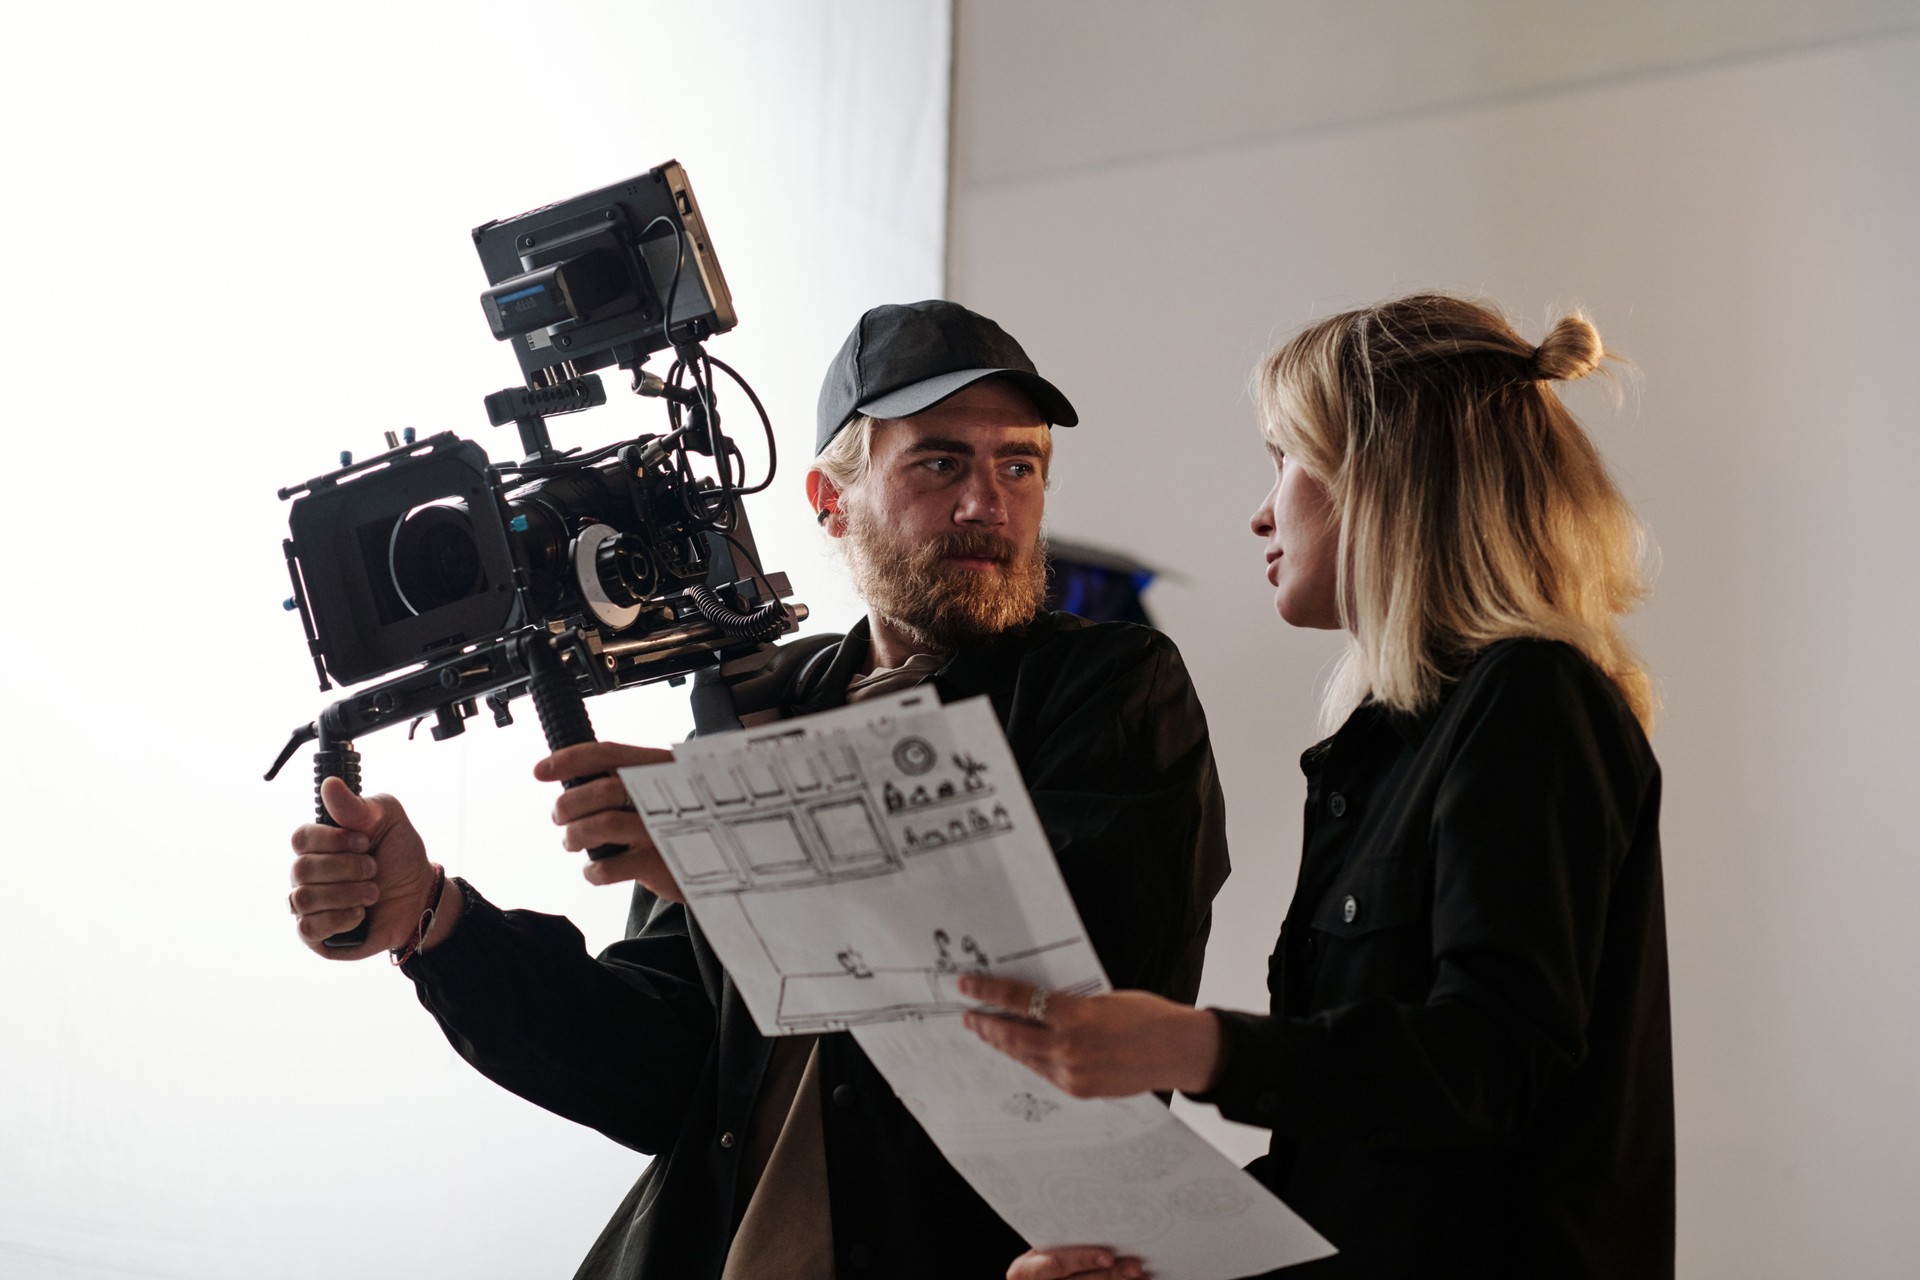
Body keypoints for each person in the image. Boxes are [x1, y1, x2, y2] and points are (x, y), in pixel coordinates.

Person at [285, 299, 1231, 1280]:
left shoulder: (1111, 686)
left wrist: (733, 855)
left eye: (1019, 464)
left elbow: (1073, 1000)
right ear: (829, 499)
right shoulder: (757, 702)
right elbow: (659, 1074)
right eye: (941, 462)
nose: (986, 502)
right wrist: (437, 921)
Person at [961, 293, 1672, 1279]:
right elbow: (1365, 1169)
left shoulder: (1532, 700)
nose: (1261, 509)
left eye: (1284, 457)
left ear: (1385, 477)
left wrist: (1198, 1048)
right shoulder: (1376, 750)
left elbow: (1486, 1066)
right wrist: (1148, 1260)